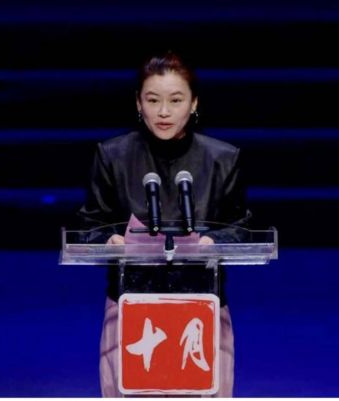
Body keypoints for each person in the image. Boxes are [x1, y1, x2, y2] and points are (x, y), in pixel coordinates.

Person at [77, 51, 251, 397]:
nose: (164, 112)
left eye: (176, 100)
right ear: (138, 103)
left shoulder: (223, 159)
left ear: (194, 102)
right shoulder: (112, 155)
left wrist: (215, 242)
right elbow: (89, 225)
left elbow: (241, 228)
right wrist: (108, 241)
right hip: (132, 302)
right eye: (153, 100)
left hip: (200, 303)